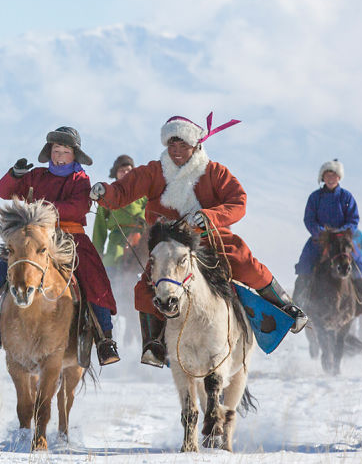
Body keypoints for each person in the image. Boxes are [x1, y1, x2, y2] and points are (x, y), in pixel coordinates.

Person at [89, 114, 308, 368]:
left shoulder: (215, 172)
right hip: (168, 242)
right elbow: (124, 190)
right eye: (172, 145)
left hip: (208, 237)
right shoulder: (153, 171)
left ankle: (285, 307)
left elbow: (239, 201)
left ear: (196, 146)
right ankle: (154, 345)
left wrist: (211, 215)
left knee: (243, 261)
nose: (177, 151)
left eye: (183, 146)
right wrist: (106, 192)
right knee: (146, 286)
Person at [0, 126, 120, 366]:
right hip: (33, 237)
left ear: (74, 155)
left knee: (94, 277)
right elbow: (4, 192)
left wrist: (44, 210)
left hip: (69, 237)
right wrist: (15, 175)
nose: (59, 156)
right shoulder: (36, 176)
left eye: (64, 152)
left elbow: (79, 207)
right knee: (3, 266)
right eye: (55, 150)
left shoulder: (80, 180)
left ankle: (105, 339)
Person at [293, 159, 362, 314]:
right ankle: (298, 302)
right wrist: (322, 233)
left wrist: (342, 232)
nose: (331, 178)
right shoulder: (315, 197)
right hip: (320, 240)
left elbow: (353, 219)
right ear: (322, 178)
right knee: (305, 263)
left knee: (358, 263)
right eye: (327, 175)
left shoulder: (346, 197)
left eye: (334, 175)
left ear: (339, 177)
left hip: (342, 241)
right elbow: (309, 219)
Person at [91, 155, 147, 270]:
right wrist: (97, 252)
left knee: (143, 264)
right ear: (116, 174)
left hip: (139, 235)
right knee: (110, 262)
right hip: (117, 237)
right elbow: (99, 225)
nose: (125, 173)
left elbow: (150, 207)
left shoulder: (142, 193)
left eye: (129, 170)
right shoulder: (109, 195)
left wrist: (141, 218)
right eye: (122, 171)